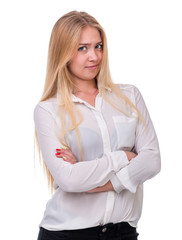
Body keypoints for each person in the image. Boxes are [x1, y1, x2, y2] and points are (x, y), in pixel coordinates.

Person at [34, 10, 161, 240]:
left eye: (98, 46)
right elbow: (69, 179)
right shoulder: (48, 110)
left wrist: (94, 181)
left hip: (122, 233)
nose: (94, 56)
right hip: (66, 234)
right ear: (63, 53)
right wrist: (123, 157)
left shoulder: (129, 96)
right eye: (82, 48)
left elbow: (152, 161)